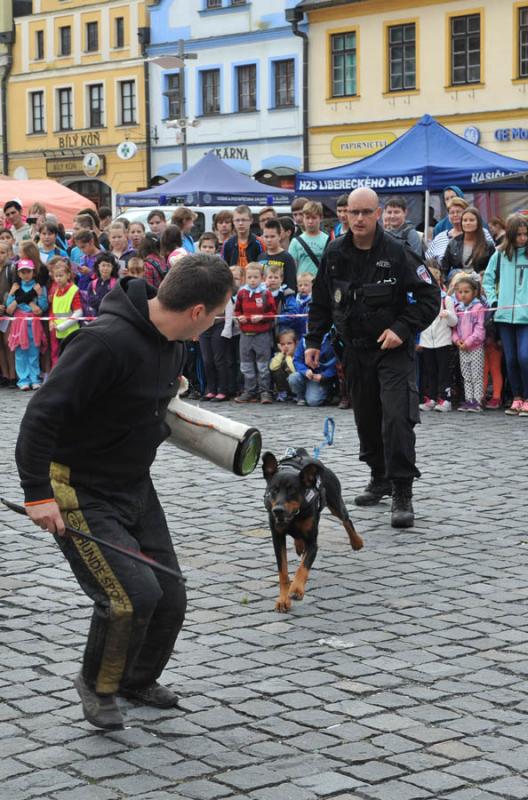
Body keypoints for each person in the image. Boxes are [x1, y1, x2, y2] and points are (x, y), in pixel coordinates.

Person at [15, 254, 234, 731]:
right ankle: (98, 685)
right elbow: (41, 415)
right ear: (197, 311)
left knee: (169, 593)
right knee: (130, 595)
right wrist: (37, 494)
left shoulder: (173, 344)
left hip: (134, 484)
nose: (215, 323)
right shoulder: (102, 343)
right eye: (216, 314)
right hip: (79, 488)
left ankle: (137, 679)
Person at [306, 187, 439, 528]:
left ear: (378, 214)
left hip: (392, 350)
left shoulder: (398, 252)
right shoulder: (335, 252)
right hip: (355, 349)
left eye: (367, 212)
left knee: (396, 417)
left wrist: (401, 328)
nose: (360, 218)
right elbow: (322, 299)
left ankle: (402, 490)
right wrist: (313, 340)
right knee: (366, 418)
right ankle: (379, 477)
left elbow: (429, 298)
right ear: (346, 214)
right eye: (354, 212)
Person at [483, 214, 528, 417]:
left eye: (525, 234)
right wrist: (494, 301)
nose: (523, 238)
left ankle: (527, 397)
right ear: (510, 235)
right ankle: (517, 397)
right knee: (510, 359)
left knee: (524, 357)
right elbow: (488, 279)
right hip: (504, 316)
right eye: (518, 234)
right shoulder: (500, 254)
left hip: (526, 317)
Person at [418, 263, 458, 412]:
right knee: (430, 371)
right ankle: (431, 398)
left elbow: (454, 321)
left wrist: (448, 315)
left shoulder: (446, 299)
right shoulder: (422, 300)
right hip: (427, 341)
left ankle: (445, 398)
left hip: (443, 341)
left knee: (443, 372)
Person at [234, 262, 276, 404]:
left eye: (255, 277)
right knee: (246, 365)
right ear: (245, 278)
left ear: (262, 278)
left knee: (263, 366)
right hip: (245, 335)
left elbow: (273, 313)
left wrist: (262, 317)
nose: (252, 280)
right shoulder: (242, 293)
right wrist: (239, 317)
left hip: (262, 335)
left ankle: (265, 392)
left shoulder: (265, 293)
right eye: (249, 277)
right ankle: (249, 391)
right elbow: (237, 311)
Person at [5, 258, 48, 390]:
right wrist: (11, 294)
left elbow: (43, 307)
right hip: (19, 323)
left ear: (33, 272)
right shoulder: (16, 287)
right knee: (20, 352)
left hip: (33, 323)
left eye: (28, 271)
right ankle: (23, 379)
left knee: (34, 351)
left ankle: (35, 378)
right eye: (22, 272)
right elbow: (9, 308)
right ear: (18, 274)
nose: (26, 275)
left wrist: (40, 296)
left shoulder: (38, 287)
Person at [452, 275, 486, 413]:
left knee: (476, 376)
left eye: (466, 291)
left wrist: (468, 342)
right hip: (462, 348)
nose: (463, 294)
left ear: (474, 292)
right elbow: (454, 328)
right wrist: (457, 340)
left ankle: (477, 401)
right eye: (460, 292)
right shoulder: (458, 308)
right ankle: (469, 400)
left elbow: (480, 329)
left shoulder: (479, 307)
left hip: (475, 348)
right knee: (466, 376)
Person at [442, 207, 495, 280]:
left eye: (471, 220)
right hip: (458, 281)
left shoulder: (488, 246)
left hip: (479, 281)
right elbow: (444, 268)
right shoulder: (453, 243)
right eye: (465, 220)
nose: (468, 223)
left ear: (478, 223)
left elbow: (493, 269)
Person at [49, 259, 83, 366]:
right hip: (59, 332)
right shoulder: (56, 291)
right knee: (63, 359)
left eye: (61, 275)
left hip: (71, 331)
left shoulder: (73, 290)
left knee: (73, 360)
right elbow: (54, 310)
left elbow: (78, 313)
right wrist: (52, 322)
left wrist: (62, 326)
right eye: (56, 276)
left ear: (68, 275)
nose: (58, 278)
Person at [289, 331, 336, 407]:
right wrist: (305, 371)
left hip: (320, 377)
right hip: (306, 374)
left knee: (314, 401)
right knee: (293, 378)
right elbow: (297, 360)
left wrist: (324, 376)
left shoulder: (329, 341)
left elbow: (334, 363)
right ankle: (300, 396)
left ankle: (327, 392)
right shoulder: (304, 340)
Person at [289, 201, 329, 277]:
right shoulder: (295, 242)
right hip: (301, 283)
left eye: (314, 218)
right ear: (303, 218)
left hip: (321, 283)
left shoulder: (328, 240)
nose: (310, 221)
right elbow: (291, 269)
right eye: (307, 218)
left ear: (320, 218)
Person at [258, 218, 297, 292]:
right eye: (266, 237)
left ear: (279, 236)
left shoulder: (287, 258)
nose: (269, 240)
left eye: (272, 236)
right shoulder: (260, 257)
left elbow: (291, 285)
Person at [270, 328, 297, 401]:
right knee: (278, 365)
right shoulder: (279, 355)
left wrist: (288, 356)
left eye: (289, 343)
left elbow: (294, 370)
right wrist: (282, 353)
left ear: (296, 344)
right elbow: (272, 367)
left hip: (296, 384)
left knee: (286, 363)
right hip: (284, 384)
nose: (286, 346)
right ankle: (282, 392)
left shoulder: (298, 355)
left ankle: (296, 394)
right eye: (282, 344)